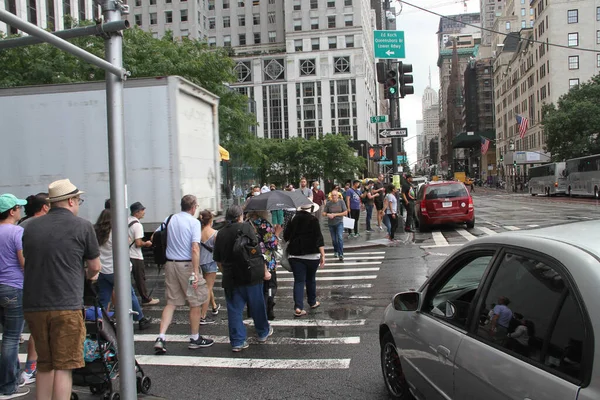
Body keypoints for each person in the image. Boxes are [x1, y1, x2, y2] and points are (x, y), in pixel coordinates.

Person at [22, 179, 101, 400]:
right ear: (70, 201)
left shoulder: (29, 226)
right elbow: (94, 266)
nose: (78, 204)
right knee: (64, 366)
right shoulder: (82, 226)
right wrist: (87, 276)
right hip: (66, 304)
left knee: (45, 364)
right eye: (78, 200)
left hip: (34, 305)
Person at [153, 195, 213, 354]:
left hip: (170, 264)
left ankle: (161, 337)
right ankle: (194, 338)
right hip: (186, 265)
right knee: (195, 302)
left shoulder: (170, 218)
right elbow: (195, 248)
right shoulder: (194, 223)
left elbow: (155, 236)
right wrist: (195, 271)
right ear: (193, 207)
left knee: (171, 302)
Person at [213, 205, 273, 352]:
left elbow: (218, 260)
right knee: (257, 305)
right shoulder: (247, 228)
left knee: (234, 310)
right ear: (240, 216)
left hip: (231, 277)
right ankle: (262, 332)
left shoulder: (220, 234)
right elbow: (258, 252)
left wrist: (224, 271)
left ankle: (237, 341)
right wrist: (265, 271)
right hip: (250, 274)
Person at [94, 209, 151, 331]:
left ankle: (100, 322)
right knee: (130, 295)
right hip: (116, 270)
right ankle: (141, 319)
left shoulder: (97, 233)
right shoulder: (115, 233)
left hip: (103, 270)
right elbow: (126, 244)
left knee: (104, 298)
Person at [17, 193, 50, 386]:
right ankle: (32, 367)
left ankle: (29, 367)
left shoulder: (22, 226)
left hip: (25, 283)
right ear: (44, 207)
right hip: (37, 283)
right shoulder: (36, 227)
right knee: (39, 328)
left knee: (30, 329)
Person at [0, 194, 29, 399]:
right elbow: (24, 262)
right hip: (13, 286)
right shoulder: (17, 232)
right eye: (19, 207)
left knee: (6, 337)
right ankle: (8, 386)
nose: (21, 210)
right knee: (11, 338)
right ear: (12, 211)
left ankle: (14, 376)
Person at [284, 203, 325, 318]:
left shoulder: (293, 219)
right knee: (311, 279)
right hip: (312, 255)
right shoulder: (313, 220)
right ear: (311, 209)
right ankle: (312, 302)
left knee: (299, 281)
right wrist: (322, 254)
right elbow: (318, 238)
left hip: (295, 255)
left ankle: (298, 307)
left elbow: (286, 236)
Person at [247, 210, 281, 320]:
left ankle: (252, 311)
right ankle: (267, 309)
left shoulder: (246, 224)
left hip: (251, 261)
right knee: (269, 287)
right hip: (267, 261)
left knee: (254, 288)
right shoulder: (264, 224)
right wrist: (276, 234)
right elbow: (272, 244)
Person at [128, 202, 159, 307]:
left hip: (127, 254)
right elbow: (138, 243)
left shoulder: (127, 221)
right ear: (137, 212)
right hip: (135, 256)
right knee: (140, 278)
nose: (144, 212)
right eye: (142, 210)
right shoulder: (137, 225)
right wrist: (146, 243)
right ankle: (145, 299)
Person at [199, 210, 220, 324]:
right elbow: (218, 250)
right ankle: (202, 316)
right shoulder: (214, 233)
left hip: (200, 262)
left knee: (208, 286)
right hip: (211, 262)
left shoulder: (197, 232)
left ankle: (214, 306)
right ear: (210, 220)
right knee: (208, 288)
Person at [322, 190, 347, 261]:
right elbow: (323, 213)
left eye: (335, 195)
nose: (334, 197)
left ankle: (341, 254)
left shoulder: (341, 202)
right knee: (334, 239)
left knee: (340, 237)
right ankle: (335, 250)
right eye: (332, 195)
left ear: (338, 196)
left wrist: (335, 214)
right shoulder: (328, 203)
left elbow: (345, 212)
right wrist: (328, 214)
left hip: (339, 222)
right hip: (331, 223)